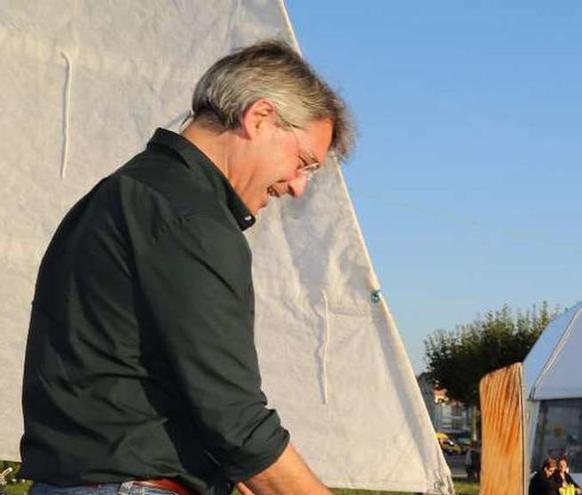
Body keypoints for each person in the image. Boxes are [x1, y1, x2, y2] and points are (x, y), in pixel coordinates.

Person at [19, 40, 353, 495]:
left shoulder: (120, 195)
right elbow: (236, 420)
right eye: (304, 162)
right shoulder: (190, 219)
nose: (297, 186)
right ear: (259, 118)